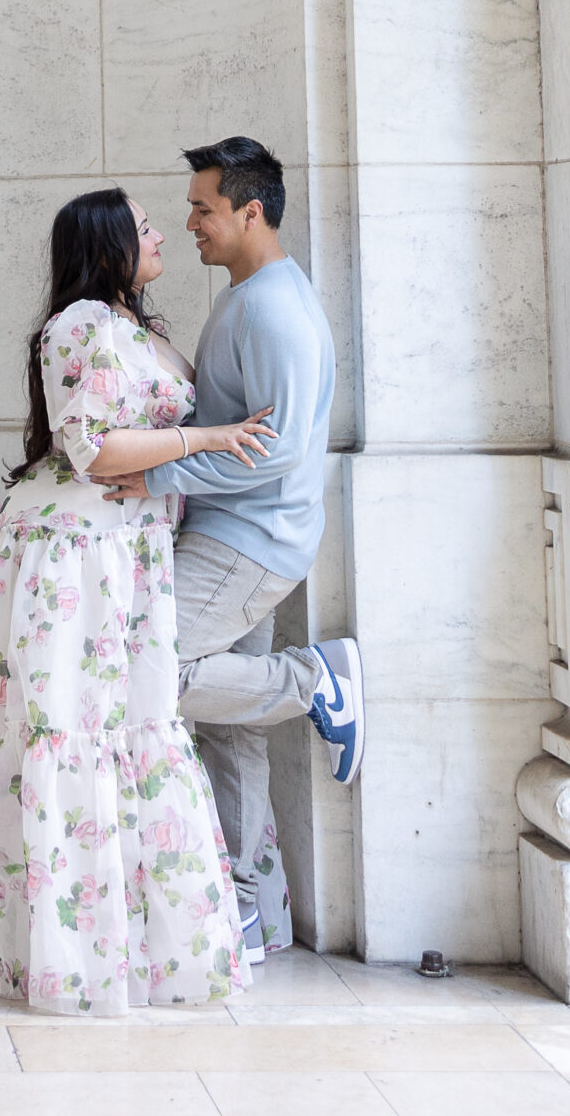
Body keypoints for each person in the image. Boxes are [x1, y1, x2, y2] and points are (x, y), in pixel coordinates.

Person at [0, 185, 278, 1014]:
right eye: (145, 227)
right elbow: (92, 450)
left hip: (124, 555)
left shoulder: (136, 327)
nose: (161, 234)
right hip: (70, 560)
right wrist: (207, 438)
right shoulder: (79, 326)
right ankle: (63, 953)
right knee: (67, 733)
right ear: (108, 245)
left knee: (127, 730)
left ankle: (118, 942)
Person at [103, 138, 364, 968]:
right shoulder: (251, 297)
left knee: (148, 671)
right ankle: (249, 912)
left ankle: (315, 682)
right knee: (230, 727)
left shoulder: (273, 310)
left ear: (252, 212)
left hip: (247, 543)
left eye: (203, 208)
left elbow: (278, 451)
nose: (190, 223)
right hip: (242, 535)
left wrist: (159, 472)